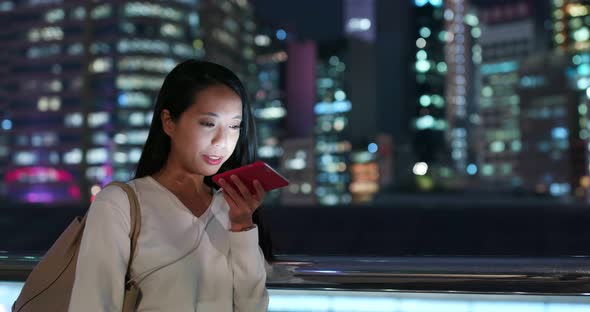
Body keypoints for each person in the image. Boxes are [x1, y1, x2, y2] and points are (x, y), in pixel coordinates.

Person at [69, 60, 270, 311]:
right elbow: (93, 304)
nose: (223, 141)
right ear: (169, 122)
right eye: (208, 123)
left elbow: (252, 307)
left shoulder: (230, 208)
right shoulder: (120, 204)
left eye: (234, 126)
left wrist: (242, 227)